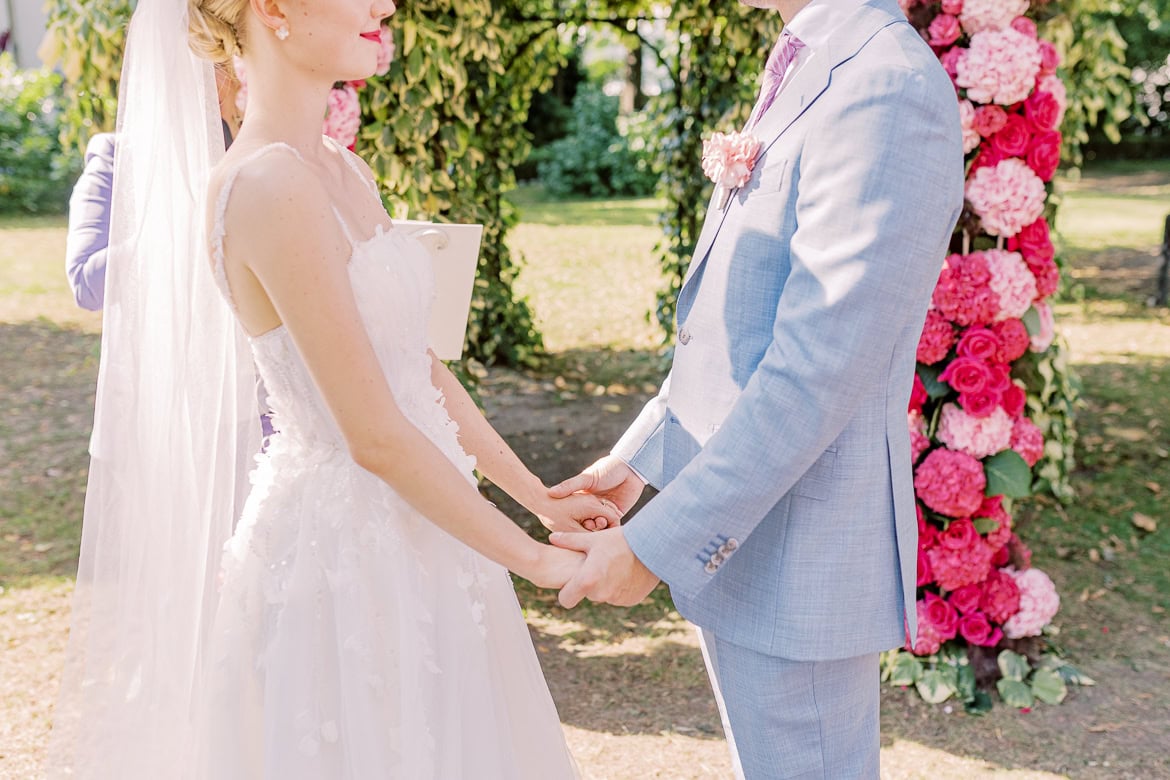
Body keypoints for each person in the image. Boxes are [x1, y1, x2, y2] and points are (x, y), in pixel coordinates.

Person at [48, 0, 615, 776]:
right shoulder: (265, 183)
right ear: (274, 9)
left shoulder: (340, 167)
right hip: (345, 562)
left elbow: (416, 367)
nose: (384, 3)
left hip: (434, 531)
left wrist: (538, 497)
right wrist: (537, 561)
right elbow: (373, 435)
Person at [549, 0, 965, 776]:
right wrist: (644, 459)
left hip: (802, 546)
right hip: (749, 527)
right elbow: (739, 324)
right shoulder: (816, 56)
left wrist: (658, 545)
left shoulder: (886, 84)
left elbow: (818, 367)